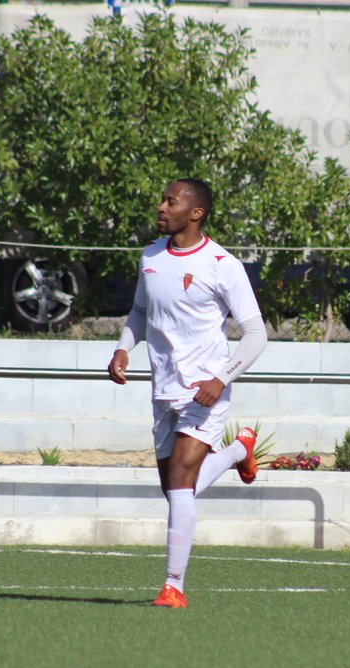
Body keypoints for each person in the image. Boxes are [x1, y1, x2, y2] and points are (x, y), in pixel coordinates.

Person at [107, 178, 268, 609]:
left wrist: (221, 379)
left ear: (195, 213)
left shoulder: (222, 264)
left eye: (171, 201)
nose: (161, 207)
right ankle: (238, 451)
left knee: (181, 479)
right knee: (177, 488)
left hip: (205, 391)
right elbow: (140, 311)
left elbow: (256, 334)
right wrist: (123, 348)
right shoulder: (150, 256)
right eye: (162, 199)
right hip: (163, 389)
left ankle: (172, 587)